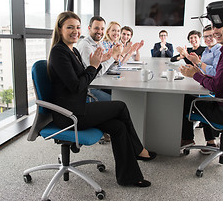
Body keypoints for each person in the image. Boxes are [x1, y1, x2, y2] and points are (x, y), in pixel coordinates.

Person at [48, 11, 156, 187]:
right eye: (70, 27)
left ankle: (128, 177)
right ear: (60, 30)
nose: (75, 31)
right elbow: (77, 86)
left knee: (119, 127)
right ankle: (138, 149)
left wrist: (99, 63)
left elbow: (84, 77)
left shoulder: (72, 50)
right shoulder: (59, 53)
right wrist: (93, 65)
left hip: (78, 107)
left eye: (77, 27)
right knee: (120, 107)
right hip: (69, 114)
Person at [76, 16, 120, 102]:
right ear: (89, 28)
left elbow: (107, 68)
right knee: (119, 100)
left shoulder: (98, 44)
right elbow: (95, 73)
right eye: (96, 28)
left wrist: (115, 59)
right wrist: (112, 57)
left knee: (123, 94)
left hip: (100, 84)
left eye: (102, 29)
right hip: (90, 88)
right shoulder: (85, 46)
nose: (100, 31)